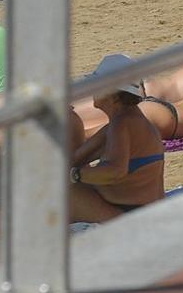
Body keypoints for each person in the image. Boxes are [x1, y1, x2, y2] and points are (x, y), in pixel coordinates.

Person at [69, 67, 166, 221]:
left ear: (112, 94)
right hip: (140, 209)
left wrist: (75, 175)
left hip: (132, 214)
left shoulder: (122, 124)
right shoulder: (126, 122)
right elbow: (77, 158)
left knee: (64, 194)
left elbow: (115, 171)